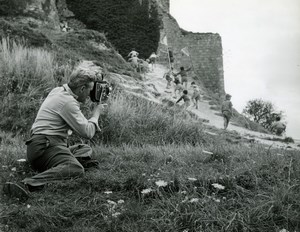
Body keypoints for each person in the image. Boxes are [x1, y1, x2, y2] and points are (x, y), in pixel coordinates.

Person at [3, 63, 106, 200]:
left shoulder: (58, 90)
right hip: (44, 147)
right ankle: (27, 184)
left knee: (83, 148)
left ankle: (62, 165)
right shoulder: (67, 102)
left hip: (42, 145)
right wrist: (96, 114)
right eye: (90, 90)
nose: (89, 95)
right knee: (76, 169)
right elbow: (87, 133)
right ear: (82, 88)